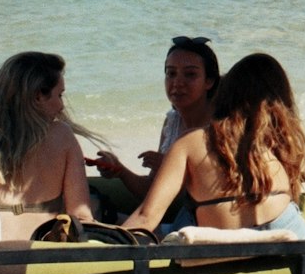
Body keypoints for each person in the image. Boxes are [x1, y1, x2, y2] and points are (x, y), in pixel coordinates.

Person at [121, 53, 305, 238]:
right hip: (291, 245)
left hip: (220, 247)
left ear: (225, 93)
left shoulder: (190, 143)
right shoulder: (280, 145)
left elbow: (145, 218)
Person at [0, 53, 96, 241]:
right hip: (37, 259)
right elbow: (81, 216)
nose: (61, 106)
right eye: (59, 95)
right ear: (38, 96)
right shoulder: (61, 137)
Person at [92, 36, 220, 207]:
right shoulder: (172, 122)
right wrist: (120, 170)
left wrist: (172, 169)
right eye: (171, 73)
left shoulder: (221, 124)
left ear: (209, 81)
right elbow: (150, 191)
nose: (177, 83)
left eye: (190, 74)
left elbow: (224, 189)